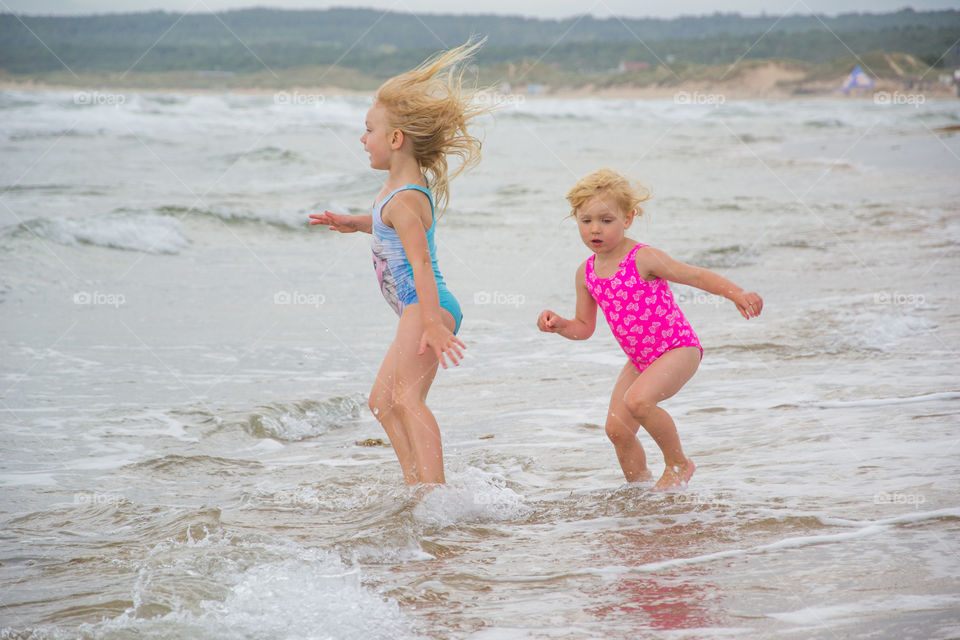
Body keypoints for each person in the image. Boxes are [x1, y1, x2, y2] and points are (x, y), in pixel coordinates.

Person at [309, 41, 490, 486]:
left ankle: (434, 491)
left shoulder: (407, 198)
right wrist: (356, 222)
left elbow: (422, 263)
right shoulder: (398, 192)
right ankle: (417, 484)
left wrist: (431, 324)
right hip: (420, 307)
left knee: (407, 399)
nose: (361, 138)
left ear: (395, 139)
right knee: (382, 401)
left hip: (427, 305)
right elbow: (387, 226)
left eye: (368, 129)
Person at [537, 168, 763, 491]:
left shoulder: (642, 258)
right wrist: (559, 325)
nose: (595, 230)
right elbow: (584, 327)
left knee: (639, 401)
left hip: (678, 347)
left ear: (628, 219)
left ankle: (678, 464)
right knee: (617, 429)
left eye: (606, 220)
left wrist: (737, 294)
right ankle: (641, 493)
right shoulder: (586, 273)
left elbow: (695, 276)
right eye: (586, 221)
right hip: (642, 359)